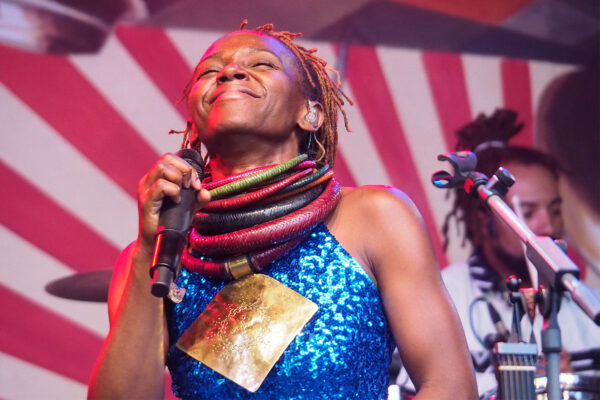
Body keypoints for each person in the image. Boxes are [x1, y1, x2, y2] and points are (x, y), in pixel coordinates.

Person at [87, 22, 477, 400]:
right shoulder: (153, 260)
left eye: (261, 64)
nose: (230, 72)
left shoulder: (374, 217)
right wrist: (147, 251)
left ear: (310, 114)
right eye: (210, 71)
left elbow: (451, 387)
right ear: (193, 123)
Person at [395, 108, 600, 398]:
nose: (549, 224)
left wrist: (569, 383)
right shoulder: (445, 293)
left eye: (555, 210)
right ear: (485, 219)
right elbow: (414, 392)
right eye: (528, 212)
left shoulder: (584, 300)